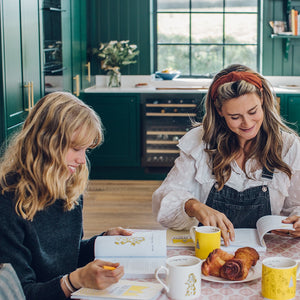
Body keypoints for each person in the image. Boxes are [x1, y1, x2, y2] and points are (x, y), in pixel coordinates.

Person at [0, 92, 132, 300]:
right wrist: (74, 281)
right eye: (76, 148)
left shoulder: (67, 186)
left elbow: (66, 256)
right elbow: (20, 294)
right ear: (46, 142)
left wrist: (102, 241)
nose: (81, 160)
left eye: (86, 150)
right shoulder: (7, 201)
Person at [152, 64, 300, 247]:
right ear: (220, 111)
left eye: (253, 112)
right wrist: (194, 206)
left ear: (262, 99)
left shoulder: (288, 146)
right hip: (209, 249)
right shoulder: (200, 143)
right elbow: (164, 202)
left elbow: (295, 206)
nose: (247, 123)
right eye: (235, 117)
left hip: (267, 252)